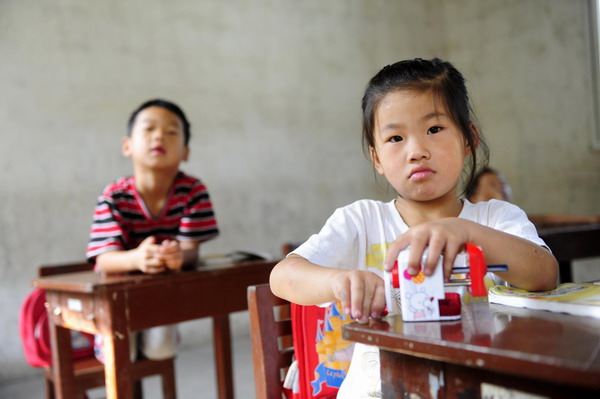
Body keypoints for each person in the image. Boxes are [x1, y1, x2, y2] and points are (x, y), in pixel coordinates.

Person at [270, 58, 558, 398]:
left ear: (469, 138)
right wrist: (337, 281)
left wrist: (467, 233)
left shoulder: (496, 218)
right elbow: (283, 276)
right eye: (395, 138)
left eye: (434, 130)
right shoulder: (360, 220)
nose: (416, 151)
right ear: (376, 158)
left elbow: (545, 274)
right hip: (385, 385)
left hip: (481, 382)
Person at [86, 99, 219, 362]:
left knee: (161, 350)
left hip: (162, 294)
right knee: (119, 353)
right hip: (115, 296)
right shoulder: (114, 196)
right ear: (127, 146)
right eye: (149, 129)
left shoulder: (192, 191)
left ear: (185, 152)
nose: (159, 136)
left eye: (172, 132)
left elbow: (192, 251)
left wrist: (179, 255)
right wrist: (136, 258)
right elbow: (104, 259)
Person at [467, 167, 600, 227]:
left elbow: (545, 219)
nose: (501, 188)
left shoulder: (514, 219)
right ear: (473, 198)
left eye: (503, 184)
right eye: (493, 185)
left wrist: (591, 219)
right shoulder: (468, 224)